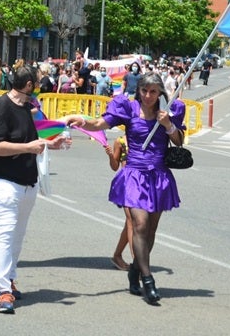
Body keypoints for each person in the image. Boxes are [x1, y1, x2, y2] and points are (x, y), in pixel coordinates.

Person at [63, 73, 185, 305]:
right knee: (139, 224)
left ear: (160, 92)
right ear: (138, 90)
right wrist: (81, 119)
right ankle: (148, 280)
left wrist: (168, 125)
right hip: (134, 175)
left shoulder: (169, 111)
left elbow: (179, 141)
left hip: (158, 176)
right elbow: (100, 123)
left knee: (150, 230)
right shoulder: (127, 109)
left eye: (153, 92)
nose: (148, 96)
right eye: (144, 91)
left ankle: (135, 272)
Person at [0, 66, 68, 313]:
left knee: (17, 236)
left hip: (26, 183)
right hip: (3, 181)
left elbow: (28, 141)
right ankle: (1, 292)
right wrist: (28, 148)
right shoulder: (2, 106)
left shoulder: (25, 108)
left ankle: (9, 279)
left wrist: (51, 144)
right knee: (5, 234)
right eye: (38, 82)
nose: (40, 86)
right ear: (29, 85)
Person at [105, 136, 134, 271]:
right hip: (127, 183)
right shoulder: (121, 141)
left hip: (143, 184)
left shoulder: (147, 136)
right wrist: (111, 155)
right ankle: (138, 263)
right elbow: (114, 166)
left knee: (132, 223)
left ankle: (117, 255)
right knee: (132, 221)